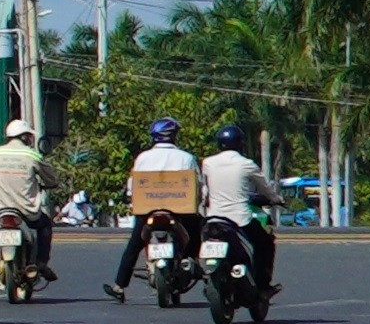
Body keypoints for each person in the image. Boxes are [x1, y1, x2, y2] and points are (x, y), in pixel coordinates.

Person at [106, 118, 203, 298]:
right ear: (174, 136)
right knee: (196, 230)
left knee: (134, 244)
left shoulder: (143, 158)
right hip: (180, 210)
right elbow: (197, 184)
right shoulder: (186, 157)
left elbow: (132, 186)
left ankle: (119, 285)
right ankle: (191, 261)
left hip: (148, 210)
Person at [198, 123, 274, 305]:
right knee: (265, 243)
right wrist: (276, 199)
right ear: (241, 143)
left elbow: (204, 189)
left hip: (213, 219)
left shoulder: (207, 163)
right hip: (240, 219)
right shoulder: (247, 164)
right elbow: (265, 188)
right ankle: (263, 285)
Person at [0, 120, 51, 290]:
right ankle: (41, 263)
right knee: (45, 225)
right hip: (26, 211)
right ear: (24, 137)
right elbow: (52, 178)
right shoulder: (32, 156)